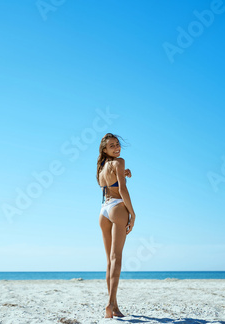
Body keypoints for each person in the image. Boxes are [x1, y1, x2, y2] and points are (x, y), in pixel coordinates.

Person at [96, 133, 136, 318]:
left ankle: (115, 306)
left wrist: (123, 173)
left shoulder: (101, 167)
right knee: (116, 259)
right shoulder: (119, 161)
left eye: (118, 144)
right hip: (118, 208)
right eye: (112, 145)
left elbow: (107, 184)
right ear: (105, 149)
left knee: (109, 261)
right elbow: (121, 189)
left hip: (103, 211)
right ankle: (110, 304)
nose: (117, 148)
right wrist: (133, 213)